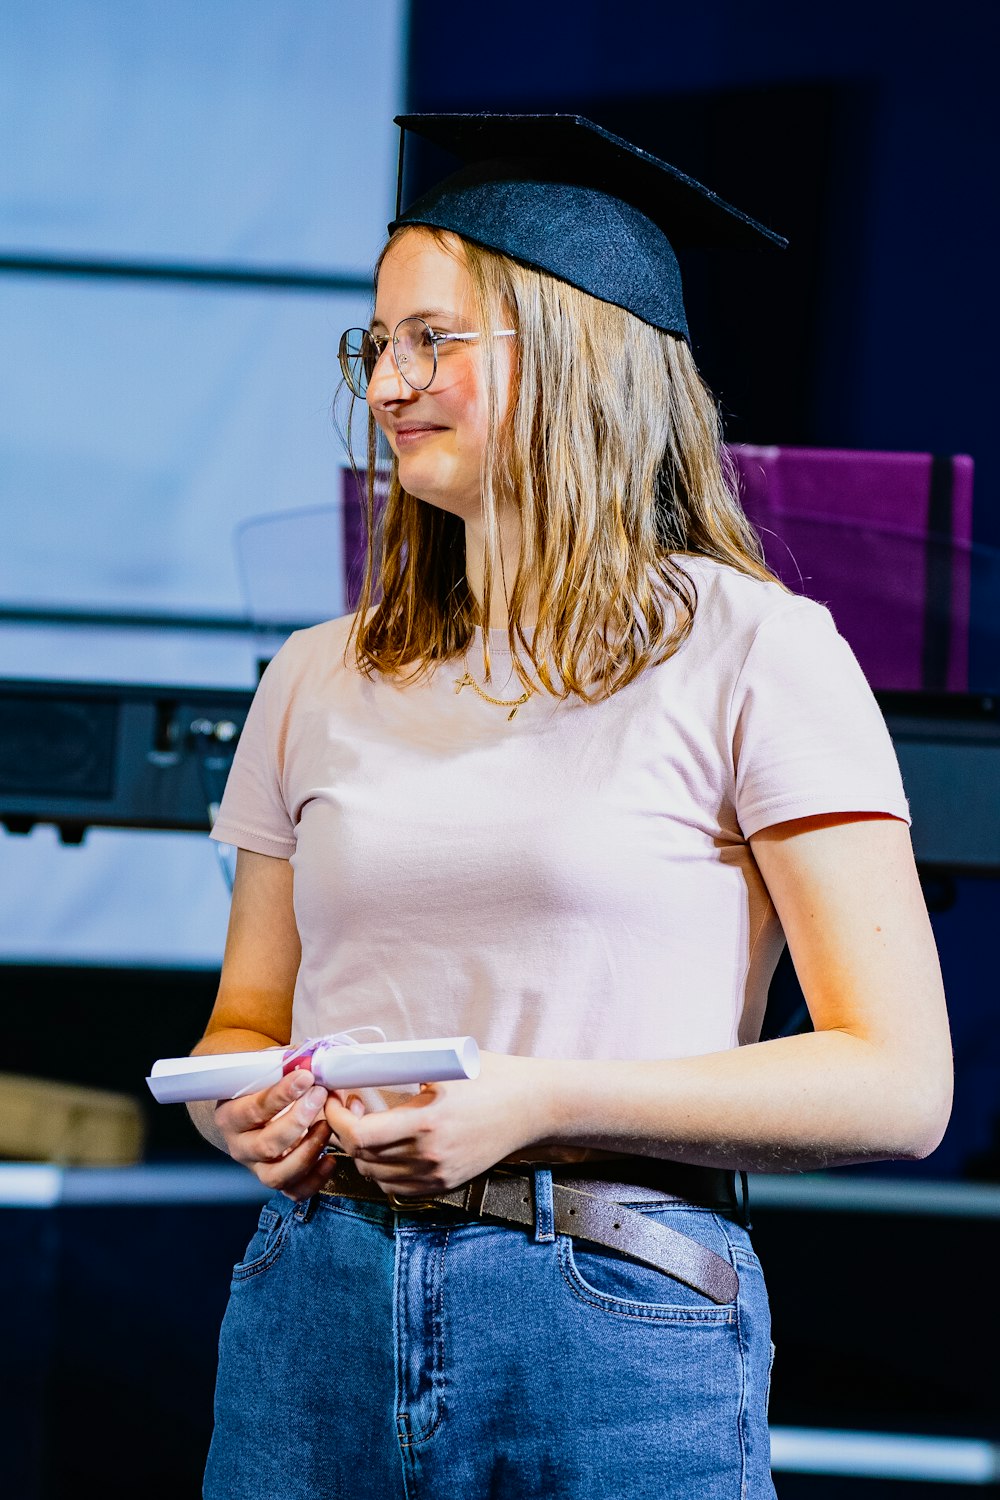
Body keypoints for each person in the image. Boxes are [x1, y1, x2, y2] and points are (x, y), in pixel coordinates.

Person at [189, 115, 952, 1499]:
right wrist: (241, 1106)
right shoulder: (314, 675)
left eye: (432, 341)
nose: (390, 384)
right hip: (314, 1310)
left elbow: (899, 1082)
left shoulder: (757, 652)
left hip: (609, 1322)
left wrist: (529, 1102)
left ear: (576, 353)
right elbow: (248, 1020)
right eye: (377, 348)